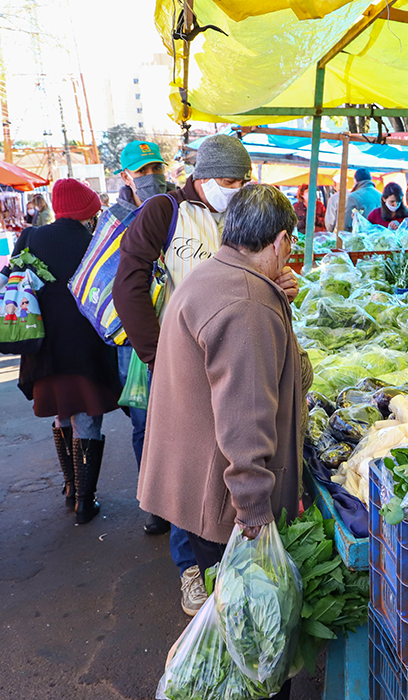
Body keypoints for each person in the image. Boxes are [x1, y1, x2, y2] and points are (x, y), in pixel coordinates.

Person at [138, 186, 310, 700]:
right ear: (281, 240)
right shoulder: (247, 303)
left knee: (234, 633)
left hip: (193, 481)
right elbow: (245, 419)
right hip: (224, 497)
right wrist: (255, 513)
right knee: (251, 643)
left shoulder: (213, 275)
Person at [114, 133, 265, 617]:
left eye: (243, 180)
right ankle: (189, 570)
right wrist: (160, 358)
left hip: (231, 358)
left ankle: (223, 556)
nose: (237, 188)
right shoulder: (164, 212)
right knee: (186, 469)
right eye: (228, 179)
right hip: (181, 364)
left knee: (225, 461)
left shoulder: (238, 215)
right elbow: (128, 283)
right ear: (201, 176)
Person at [8, 178, 121, 525]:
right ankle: (85, 502)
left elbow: (15, 281)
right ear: (86, 210)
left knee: (61, 411)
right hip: (85, 347)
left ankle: (72, 486)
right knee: (86, 414)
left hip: (43, 347)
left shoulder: (31, 238)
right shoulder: (94, 242)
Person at [96, 140, 173, 537]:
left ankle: (182, 495)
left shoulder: (180, 207)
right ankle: (156, 502)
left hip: (177, 326)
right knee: (146, 422)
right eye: (141, 171)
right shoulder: (115, 218)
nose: (150, 177)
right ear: (124, 176)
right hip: (134, 337)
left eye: (155, 167)